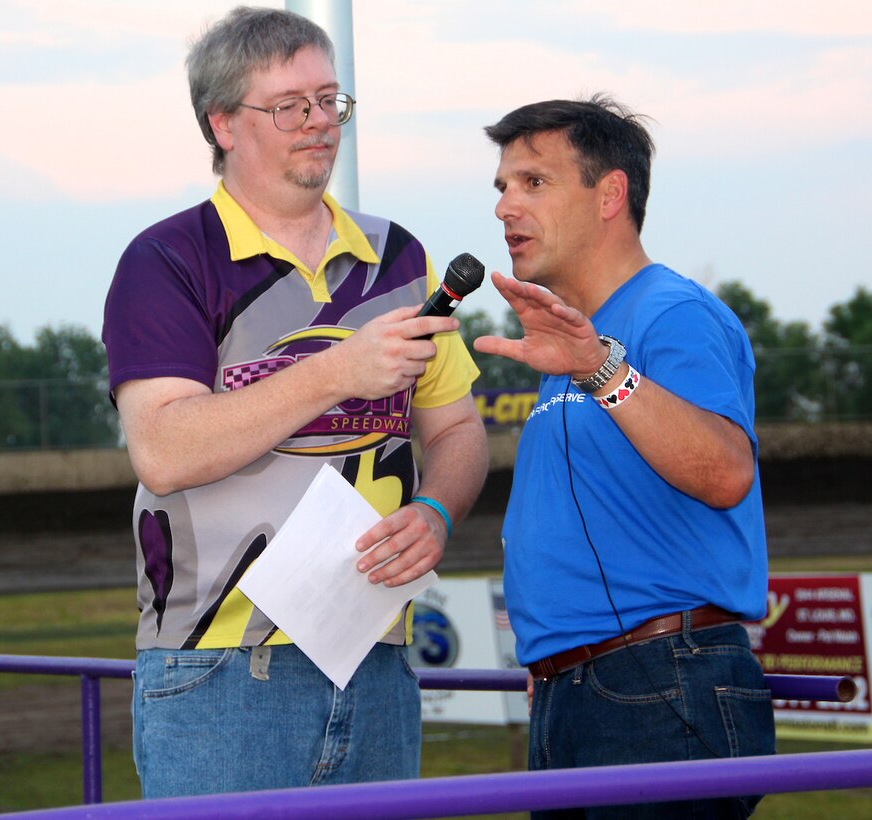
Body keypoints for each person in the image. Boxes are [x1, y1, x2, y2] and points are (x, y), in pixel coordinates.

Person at [102, 7, 487, 798]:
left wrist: (439, 513)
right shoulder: (168, 260)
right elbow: (165, 452)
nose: (319, 124)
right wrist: (338, 370)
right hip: (219, 671)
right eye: (289, 107)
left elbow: (456, 430)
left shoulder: (398, 256)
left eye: (329, 101)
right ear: (224, 124)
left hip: (375, 658)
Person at [473, 95, 775, 818]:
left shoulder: (671, 312)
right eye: (502, 187)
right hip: (577, 689)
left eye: (533, 183)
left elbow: (726, 471)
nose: (505, 207)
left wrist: (601, 369)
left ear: (610, 193)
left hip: (659, 681)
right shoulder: (571, 339)